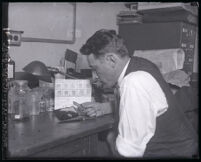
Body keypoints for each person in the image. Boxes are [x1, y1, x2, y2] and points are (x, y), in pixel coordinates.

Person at [79, 29, 198, 158]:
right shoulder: (139, 64)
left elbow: (129, 152)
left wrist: (111, 137)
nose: (95, 76)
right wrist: (105, 108)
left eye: (95, 68)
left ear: (112, 60)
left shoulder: (133, 82)